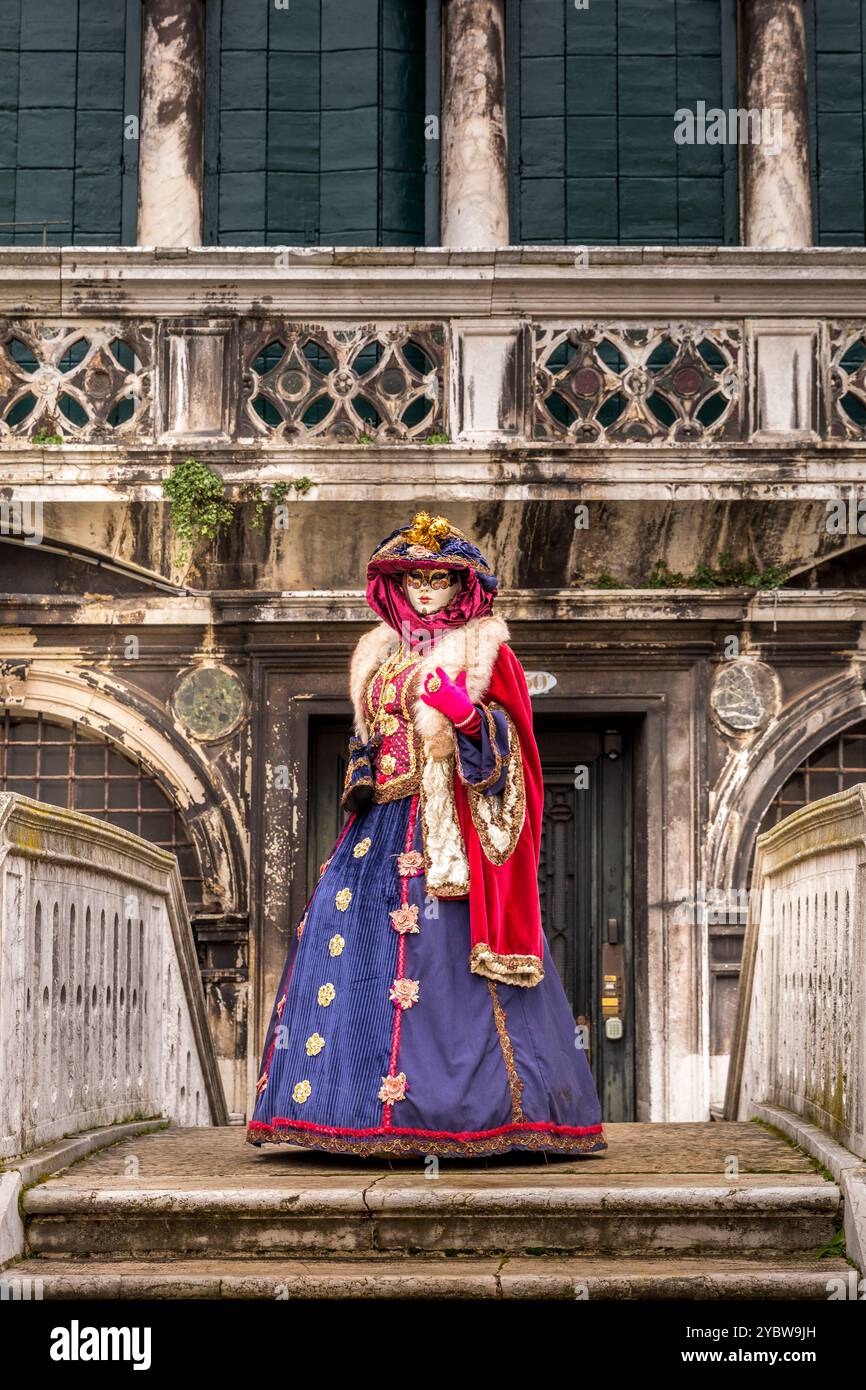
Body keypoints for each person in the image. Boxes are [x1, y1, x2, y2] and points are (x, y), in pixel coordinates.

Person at [247, 512, 607, 1158]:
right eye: (413, 579)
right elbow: (370, 749)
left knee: (442, 963)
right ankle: (348, 1117)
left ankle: (465, 1117)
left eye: (439, 580)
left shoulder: (483, 653)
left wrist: (467, 715)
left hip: (445, 832)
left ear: (459, 588)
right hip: (376, 832)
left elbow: (512, 750)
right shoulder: (382, 654)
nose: (424, 591)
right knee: (352, 952)